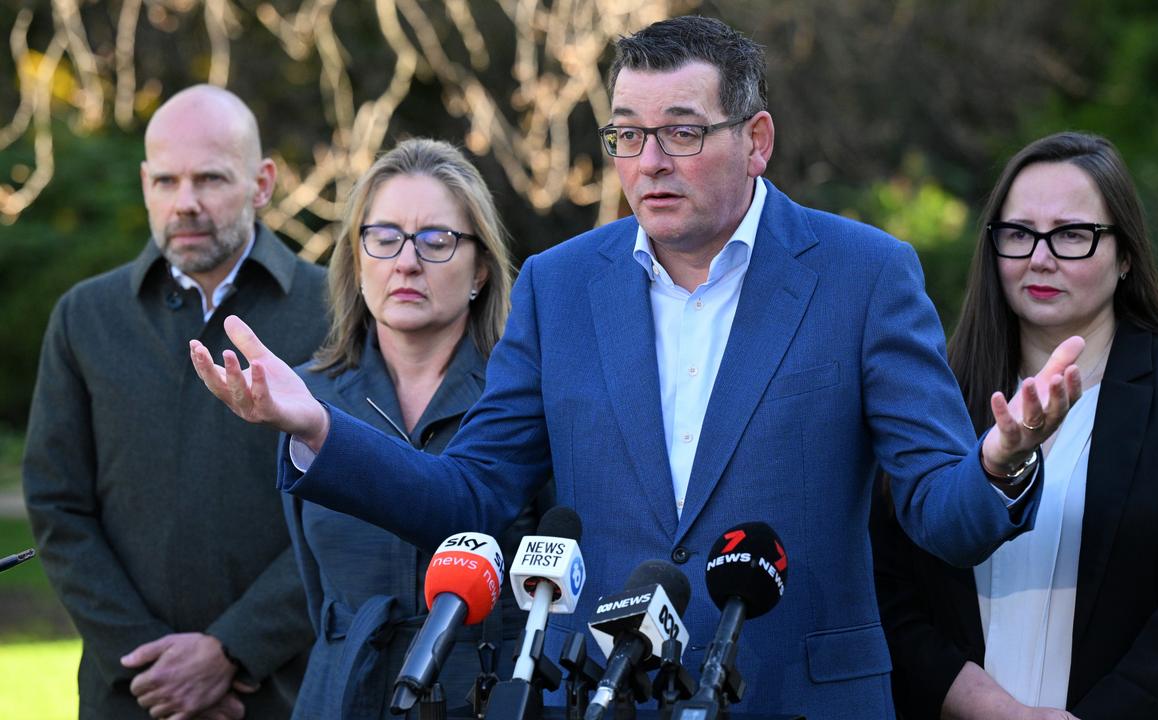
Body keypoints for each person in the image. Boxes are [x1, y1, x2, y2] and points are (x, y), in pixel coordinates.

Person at [191, 17, 1084, 719]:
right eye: (627, 135)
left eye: (682, 134)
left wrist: (1001, 462)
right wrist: (316, 426)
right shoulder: (560, 284)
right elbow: (472, 495)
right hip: (598, 697)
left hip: (800, 698)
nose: (648, 163)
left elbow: (942, 513)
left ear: (757, 139)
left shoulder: (863, 275)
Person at [870, 132, 1158, 719]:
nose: (1040, 257)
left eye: (1073, 235)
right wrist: (991, 711)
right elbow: (890, 593)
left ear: (1126, 254)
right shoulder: (933, 394)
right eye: (1018, 234)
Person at [23, 85, 326, 720]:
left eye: (210, 179)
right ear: (144, 183)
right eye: (165, 181)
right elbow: (57, 505)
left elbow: (351, 512)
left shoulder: (334, 314)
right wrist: (152, 666)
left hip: (285, 695)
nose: (184, 203)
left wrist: (233, 652)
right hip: (129, 696)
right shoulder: (86, 318)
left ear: (262, 182)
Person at [284, 137, 551, 718]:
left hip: (484, 696)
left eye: (436, 240)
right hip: (343, 694)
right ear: (357, 262)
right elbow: (313, 584)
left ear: (480, 269)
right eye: (383, 239)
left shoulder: (523, 394)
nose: (406, 261)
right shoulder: (306, 397)